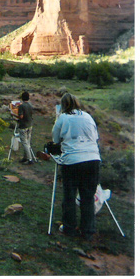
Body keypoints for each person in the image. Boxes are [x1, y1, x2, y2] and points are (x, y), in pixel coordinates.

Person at [52, 93, 101, 240]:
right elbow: (95, 137)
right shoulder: (88, 116)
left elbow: (55, 139)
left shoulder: (63, 118)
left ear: (63, 105)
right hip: (92, 159)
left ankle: (69, 228)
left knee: (70, 196)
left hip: (72, 160)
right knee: (87, 197)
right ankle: (88, 232)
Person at [16, 91, 34, 165]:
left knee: (24, 142)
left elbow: (21, 116)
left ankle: (29, 159)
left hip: (23, 126)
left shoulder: (21, 106)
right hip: (29, 125)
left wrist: (13, 115)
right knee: (27, 142)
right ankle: (25, 157)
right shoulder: (30, 105)